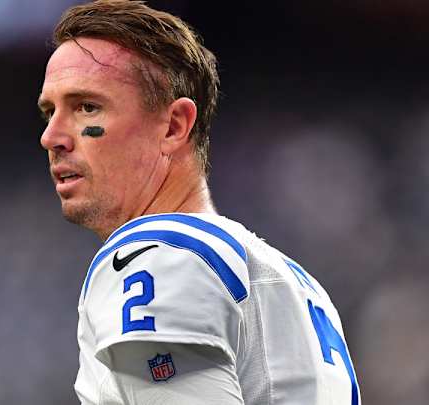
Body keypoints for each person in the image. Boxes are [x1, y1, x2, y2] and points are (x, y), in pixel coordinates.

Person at [37, 1, 360, 404]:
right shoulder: (298, 284)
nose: (51, 137)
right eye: (49, 112)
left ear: (174, 126)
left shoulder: (157, 254)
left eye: (87, 107)